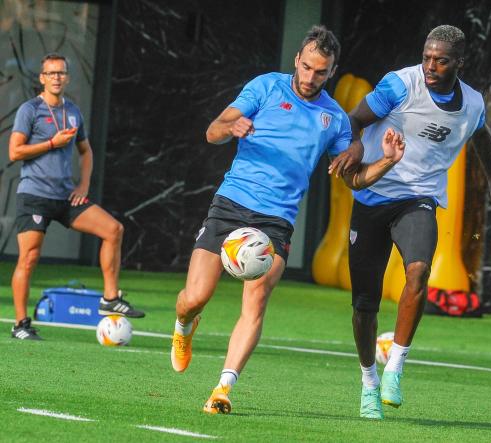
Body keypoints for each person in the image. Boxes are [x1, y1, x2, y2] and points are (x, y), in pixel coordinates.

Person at [170, 25, 406, 415]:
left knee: (257, 299)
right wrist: (232, 127)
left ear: (332, 71)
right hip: (231, 203)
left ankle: (223, 387)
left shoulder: (334, 118)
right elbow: (212, 130)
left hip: (276, 219)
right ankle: (184, 327)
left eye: (321, 71)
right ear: (297, 59)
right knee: (194, 298)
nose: (311, 77)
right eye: (307, 67)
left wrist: (385, 161)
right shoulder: (265, 87)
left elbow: (354, 179)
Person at [346, 25, 491, 419]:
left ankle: (395, 369)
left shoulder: (472, 103)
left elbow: (482, 137)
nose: (431, 66)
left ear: (459, 63)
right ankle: (369, 382)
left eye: (441, 60)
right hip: (372, 195)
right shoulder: (399, 85)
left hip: (419, 198)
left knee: (419, 272)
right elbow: (353, 119)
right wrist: (354, 147)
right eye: (426, 57)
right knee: (364, 304)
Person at [8, 53, 145, 340]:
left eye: (61, 73)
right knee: (29, 258)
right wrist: (51, 143)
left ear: (67, 77)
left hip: (65, 196)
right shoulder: (30, 110)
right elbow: (15, 152)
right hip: (34, 195)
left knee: (113, 230)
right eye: (51, 73)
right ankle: (21, 324)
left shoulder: (73, 111)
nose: (57, 77)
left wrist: (83, 186)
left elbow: (86, 151)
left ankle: (110, 298)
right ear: (42, 78)